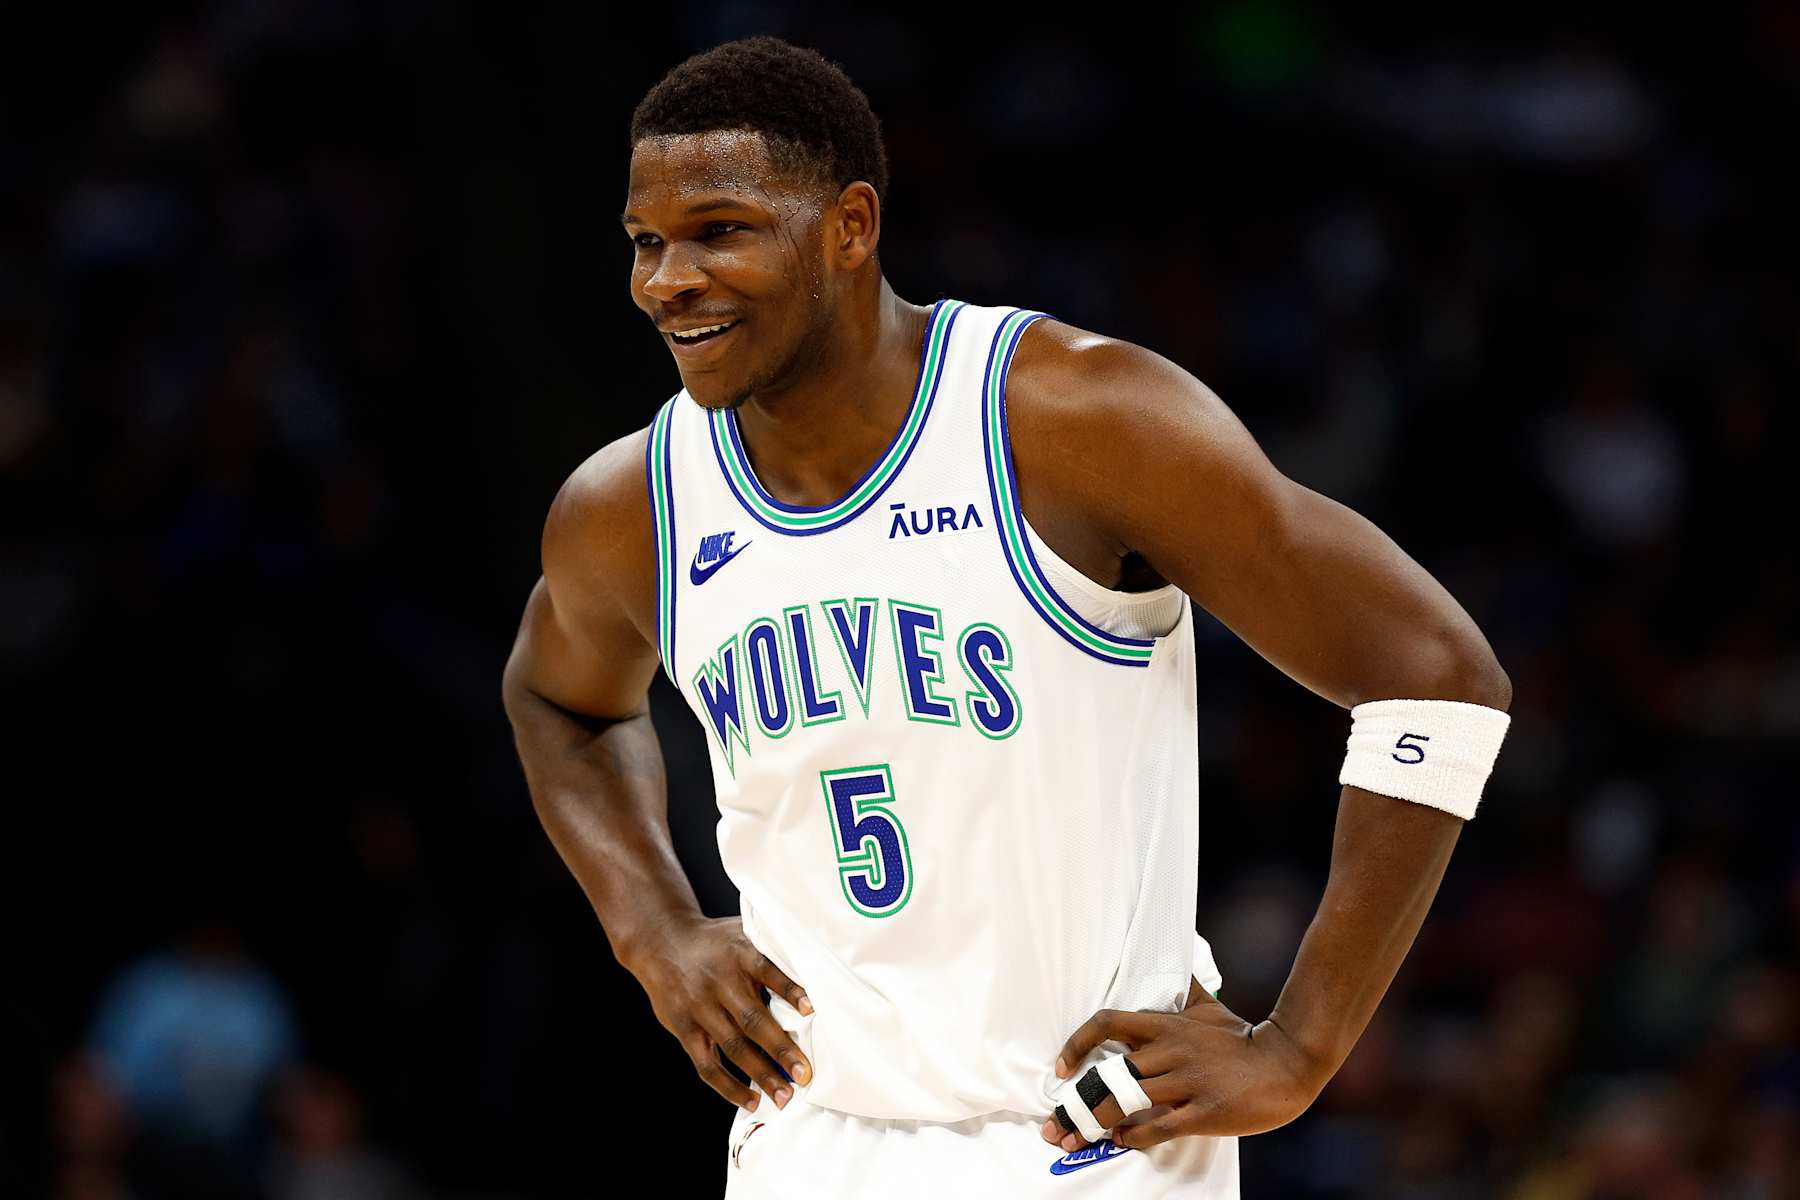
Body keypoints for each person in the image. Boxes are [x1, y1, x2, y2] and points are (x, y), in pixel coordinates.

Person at [501, 35, 1512, 1199]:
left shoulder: (1071, 417)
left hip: (1088, 1135)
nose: (666, 279)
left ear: (849, 227)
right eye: (646, 242)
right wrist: (657, 934)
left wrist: (1300, 1046)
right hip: (810, 1138)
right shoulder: (632, 504)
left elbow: (1436, 676)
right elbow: (555, 699)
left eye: (719, 230)